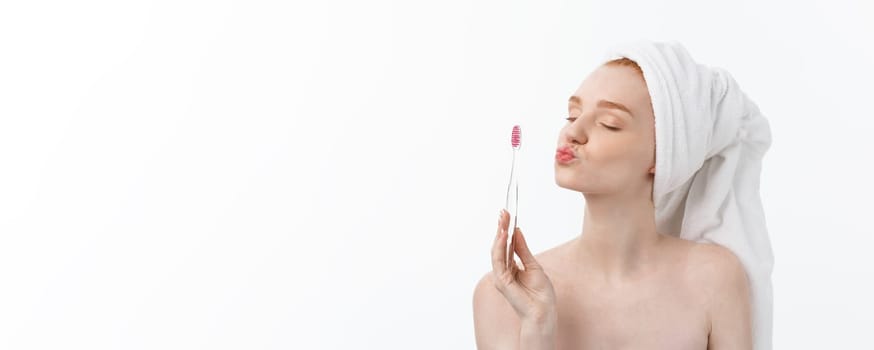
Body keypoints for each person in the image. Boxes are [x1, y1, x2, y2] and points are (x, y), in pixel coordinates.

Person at [472, 57, 754, 349]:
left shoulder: (714, 279)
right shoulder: (504, 297)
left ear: (663, 154)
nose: (572, 132)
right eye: (572, 116)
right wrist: (538, 328)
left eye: (610, 124)